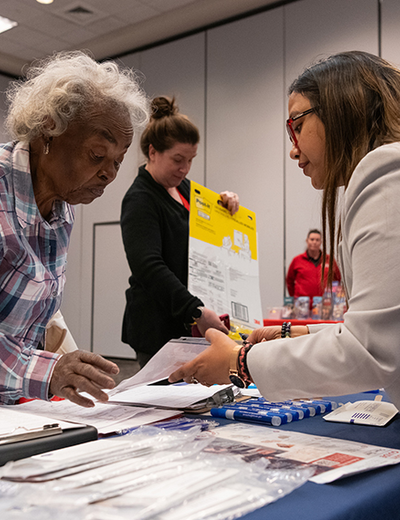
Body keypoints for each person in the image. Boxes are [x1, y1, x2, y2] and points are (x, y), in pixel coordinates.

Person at [169, 50, 400, 411]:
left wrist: (239, 362)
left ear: (342, 112)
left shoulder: (388, 175)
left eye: (297, 125)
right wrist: (295, 333)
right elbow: (387, 333)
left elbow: (371, 350)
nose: (293, 151)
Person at [0, 51, 149, 407]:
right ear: (47, 132)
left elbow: (41, 315)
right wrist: (48, 372)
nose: (109, 174)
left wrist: (72, 371)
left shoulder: (60, 207)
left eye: (117, 161)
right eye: (97, 155)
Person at [120, 96, 239, 367]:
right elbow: (148, 267)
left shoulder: (185, 189)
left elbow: (205, 239)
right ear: (153, 152)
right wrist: (195, 310)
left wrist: (225, 206)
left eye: (190, 160)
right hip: (158, 328)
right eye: (177, 160)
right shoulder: (140, 198)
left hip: (187, 321)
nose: (184, 169)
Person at [286, 228, 341, 301]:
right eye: (312, 239)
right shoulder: (297, 260)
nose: (314, 242)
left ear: (321, 242)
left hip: (325, 306)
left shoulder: (329, 260)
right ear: (307, 241)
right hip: (302, 306)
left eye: (317, 240)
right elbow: (289, 281)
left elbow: (337, 279)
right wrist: (295, 298)